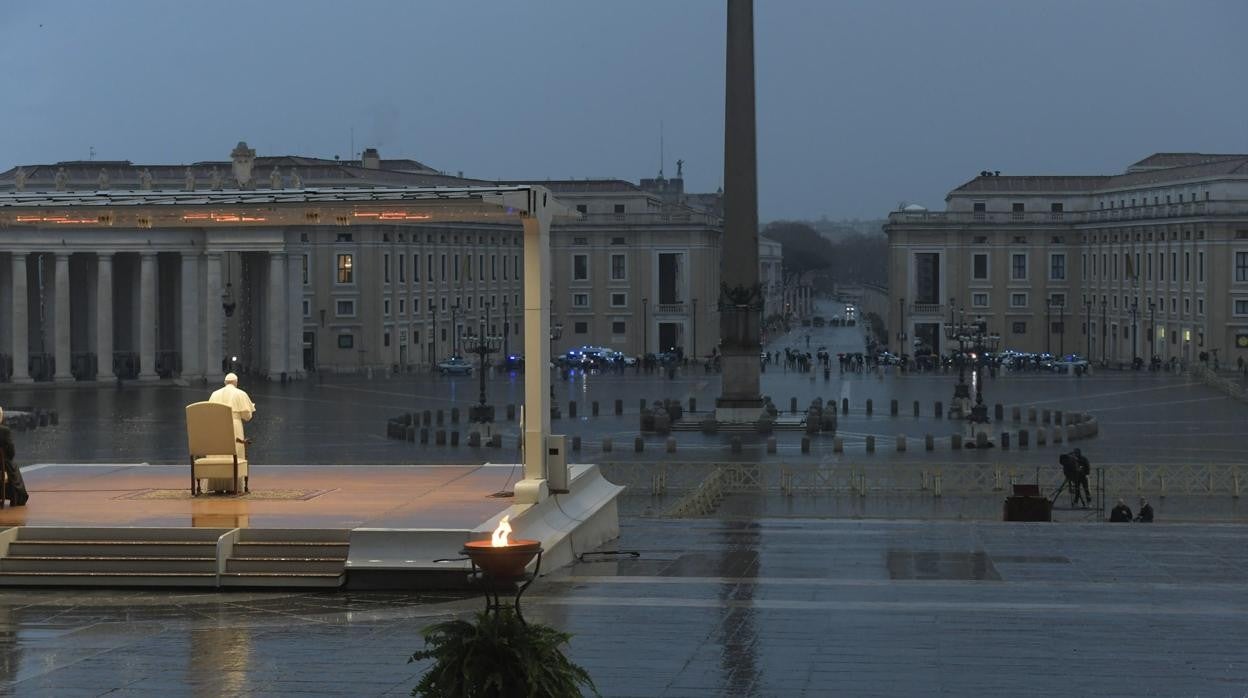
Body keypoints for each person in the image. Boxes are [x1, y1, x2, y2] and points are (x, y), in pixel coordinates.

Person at [208, 373, 256, 493]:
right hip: (234, 425)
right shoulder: (240, 393)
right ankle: (233, 486)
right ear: (236, 382)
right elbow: (247, 417)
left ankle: (217, 486)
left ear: (225, 382)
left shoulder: (214, 394)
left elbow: (209, 413)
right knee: (234, 453)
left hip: (217, 427)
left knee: (218, 455)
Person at [0, 408, 28, 506]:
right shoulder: (4, 431)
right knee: (12, 466)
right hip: (2, 465)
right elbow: (11, 453)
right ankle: (17, 497)